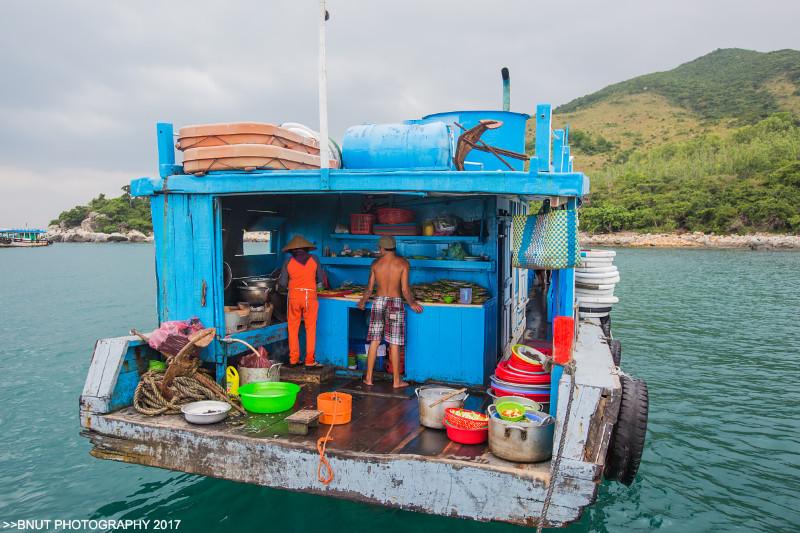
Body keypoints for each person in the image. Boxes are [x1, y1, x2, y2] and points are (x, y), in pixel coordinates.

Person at [358, 235, 423, 388]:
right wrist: (412, 303)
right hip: (395, 303)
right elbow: (405, 289)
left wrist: (362, 301)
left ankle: (368, 378)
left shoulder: (375, 264)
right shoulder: (403, 263)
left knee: (374, 340)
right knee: (394, 342)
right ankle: (396, 381)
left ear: (382, 248)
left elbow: (369, 289)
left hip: (379, 302)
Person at [278, 235, 328, 368]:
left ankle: (294, 360)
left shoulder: (288, 262)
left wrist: (286, 287)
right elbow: (320, 281)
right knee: (310, 328)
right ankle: (309, 361)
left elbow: (282, 283)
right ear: (307, 248)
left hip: (294, 297)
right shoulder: (315, 259)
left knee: (293, 328)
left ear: (292, 250)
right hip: (310, 297)